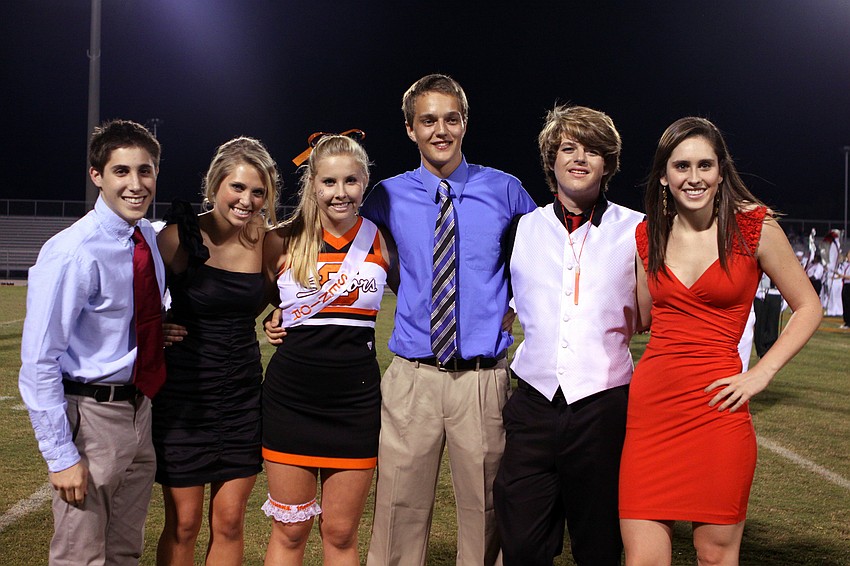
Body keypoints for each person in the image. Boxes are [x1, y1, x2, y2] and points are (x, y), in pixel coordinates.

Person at [619, 117, 822, 565]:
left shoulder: (754, 228)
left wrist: (761, 373)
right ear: (664, 175)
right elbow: (642, 318)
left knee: (714, 554)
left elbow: (809, 306)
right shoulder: (647, 234)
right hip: (653, 411)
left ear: (721, 170)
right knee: (643, 558)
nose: (694, 177)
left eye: (704, 165)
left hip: (719, 409)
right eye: (681, 166)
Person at [357, 73, 536, 566]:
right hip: (413, 377)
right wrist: (286, 306)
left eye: (451, 119)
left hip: (481, 378)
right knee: (397, 512)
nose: (441, 130)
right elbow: (342, 250)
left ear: (464, 123)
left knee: (487, 515)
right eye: (428, 120)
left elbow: (544, 257)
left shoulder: (505, 189)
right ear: (410, 128)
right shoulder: (386, 196)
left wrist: (517, 306)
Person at [492, 105, 644, 566]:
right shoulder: (521, 228)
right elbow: (500, 303)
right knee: (522, 546)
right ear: (551, 159)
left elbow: (654, 312)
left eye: (592, 150)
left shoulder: (637, 229)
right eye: (568, 148)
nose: (579, 158)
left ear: (608, 163)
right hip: (533, 405)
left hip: (603, 407)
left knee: (598, 548)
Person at [18, 119, 165, 565]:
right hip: (92, 415)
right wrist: (61, 455)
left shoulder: (145, 236)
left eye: (145, 170)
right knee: (80, 556)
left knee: (125, 551)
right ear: (97, 175)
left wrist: (162, 326)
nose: (136, 184)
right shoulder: (73, 251)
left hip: (140, 410)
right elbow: (39, 360)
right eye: (122, 171)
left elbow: (139, 306)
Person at [261, 133, 395, 565]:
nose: (340, 192)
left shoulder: (383, 240)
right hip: (291, 401)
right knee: (291, 530)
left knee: (340, 533)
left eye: (350, 181)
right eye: (329, 182)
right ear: (313, 184)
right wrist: (272, 317)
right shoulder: (281, 239)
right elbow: (251, 299)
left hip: (355, 404)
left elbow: (421, 299)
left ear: (364, 182)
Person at [152, 137, 279, 565]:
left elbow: (277, 298)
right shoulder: (177, 236)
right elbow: (134, 300)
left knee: (229, 522)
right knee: (184, 523)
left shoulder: (267, 241)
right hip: (185, 398)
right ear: (215, 185)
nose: (247, 200)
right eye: (237, 187)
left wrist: (279, 313)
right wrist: (154, 327)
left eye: (258, 191)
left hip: (242, 394)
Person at [839, 249, 850, 329]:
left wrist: (843, 276)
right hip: (845, 285)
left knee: (848, 303)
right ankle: (846, 321)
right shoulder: (847, 265)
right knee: (845, 303)